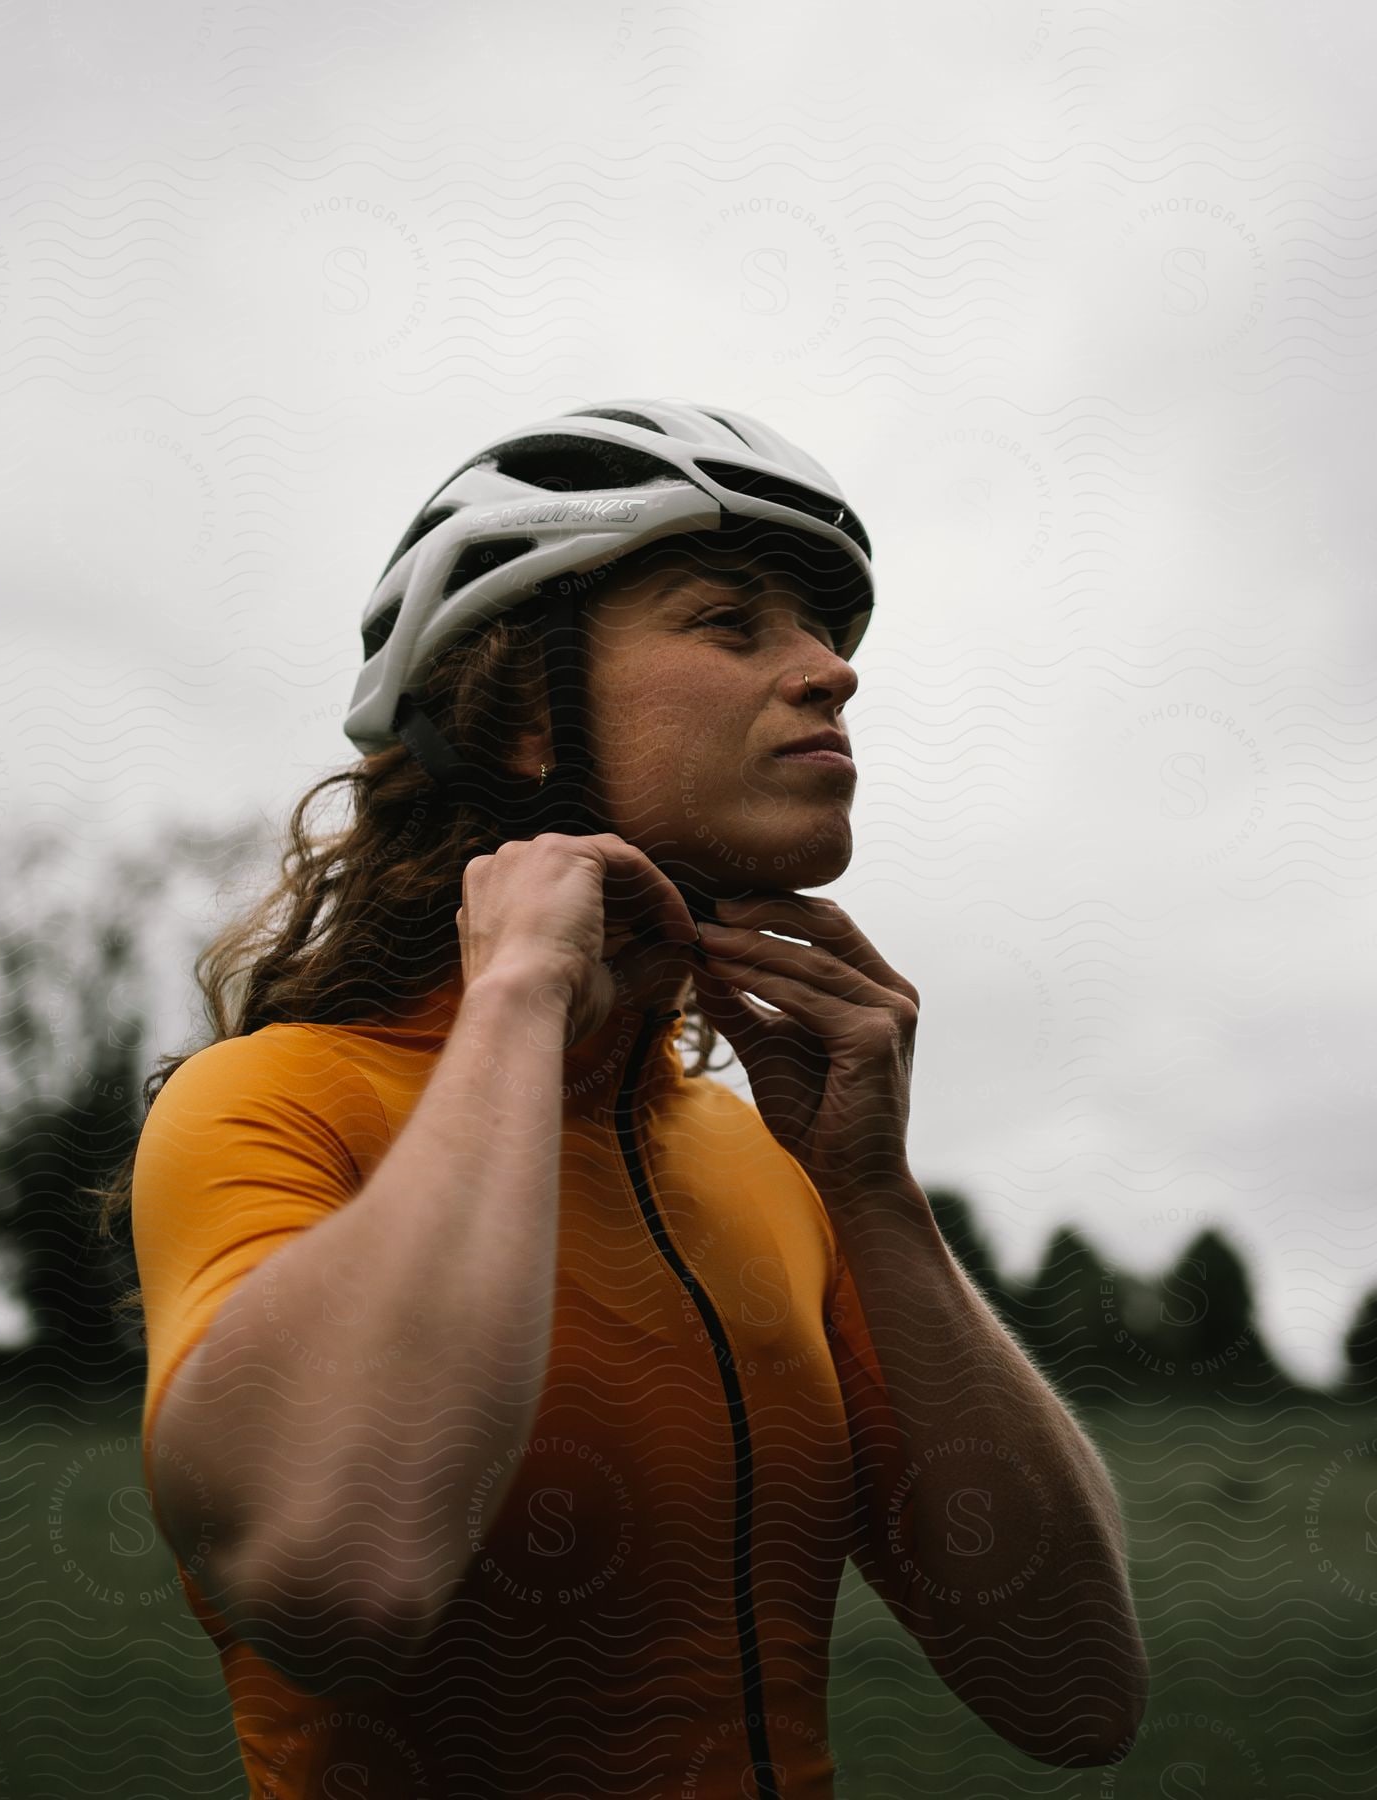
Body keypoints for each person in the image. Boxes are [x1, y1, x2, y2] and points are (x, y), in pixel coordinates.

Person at [109, 401, 1147, 1798]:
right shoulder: (271, 1104)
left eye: (827, 634)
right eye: (733, 623)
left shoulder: (762, 1158)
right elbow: (343, 1581)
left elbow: (1074, 1690)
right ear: (526, 708)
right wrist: (520, 999)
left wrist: (875, 1198)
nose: (830, 672)